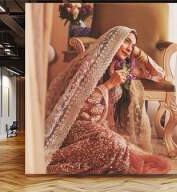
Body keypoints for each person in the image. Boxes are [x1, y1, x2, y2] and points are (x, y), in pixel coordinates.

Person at [45, 26, 170, 174]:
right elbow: (77, 107)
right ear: (114, 40)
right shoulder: (89, 64)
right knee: (115, 144)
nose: (130, 48)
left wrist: (135, 50)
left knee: (124, 148)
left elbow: (158, 75)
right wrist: (109, 84)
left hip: (99, 128)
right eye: (126, 41)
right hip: (76, 126)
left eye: (133, 45)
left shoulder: (121, 69)